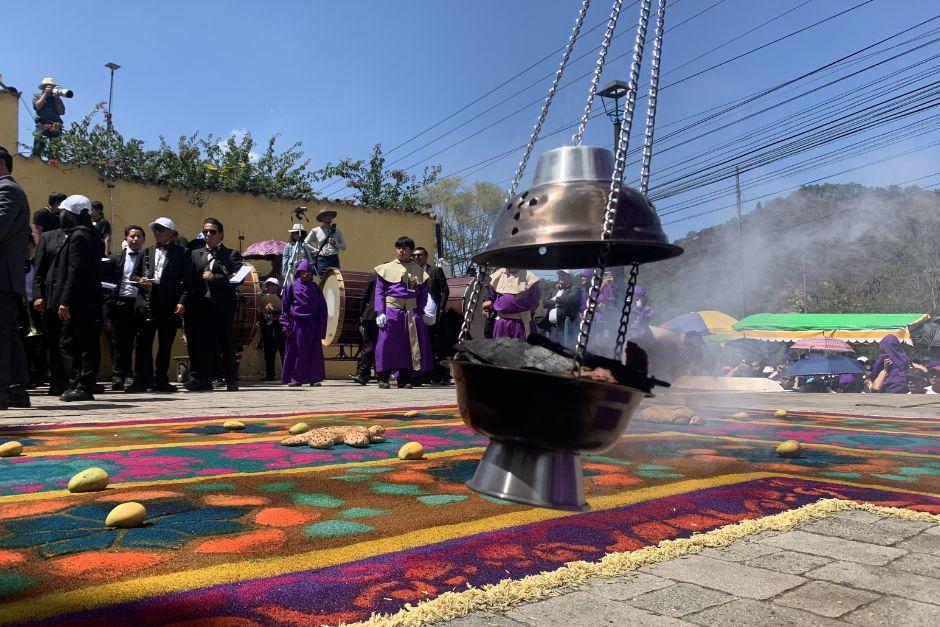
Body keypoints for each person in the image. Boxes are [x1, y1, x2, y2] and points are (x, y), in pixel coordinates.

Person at [48, 195, 103, 402]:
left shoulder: (80, 236)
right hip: (88, 298)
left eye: (65, 212)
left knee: (72, 342)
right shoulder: (91, 234)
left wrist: (65, 300)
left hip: (80, 299)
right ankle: (80, 383)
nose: (61, 215)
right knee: (82, 342)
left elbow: (74, 271)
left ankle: (82, 384)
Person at [184, 218, 243, 392]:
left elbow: (237, 278)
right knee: (203, 344)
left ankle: (231, 379)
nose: (208, 235)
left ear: (221, 234)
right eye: (205, 231)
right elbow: (190, 280)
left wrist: (215, 278)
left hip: (222, 306)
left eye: (212, 231)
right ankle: (204, 379)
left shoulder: (231, 254)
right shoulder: (195, 254)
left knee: (225, 343)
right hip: (201, 307)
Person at [133, 217, 189, 392]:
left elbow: (187, 281)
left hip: (169, 302)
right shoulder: (147, 251)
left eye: (161, 229)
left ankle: (161, 379)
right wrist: (140, 280)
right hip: (149, 300)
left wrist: (182, 302)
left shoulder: (181, 252)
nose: (157, 233)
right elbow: (134, 275)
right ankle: (142, 379)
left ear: (171, 233)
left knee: (165, 344)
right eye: (155, 229)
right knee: (144, 343)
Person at [373, 236, 434, 389]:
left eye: (405, 248)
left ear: (411, 251)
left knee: (408, 345)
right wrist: (380, 312)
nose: (401, 251)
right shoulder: (386, 268)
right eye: (399, 247)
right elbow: (379, 291)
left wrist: (419, 311)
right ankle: (383, 377)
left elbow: (423, 294)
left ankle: (405, 378)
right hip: (391, 311)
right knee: (386, 343)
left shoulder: (418, 271)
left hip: (411, 313)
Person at [0, 146, 31, 409]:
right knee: (7, 334)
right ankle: (16, 390)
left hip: (3, 278)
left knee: (3, 334)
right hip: (6, 279)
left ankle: (6, 391)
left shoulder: (7, 190)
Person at [104, 225, 146, 391]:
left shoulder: (148, 257)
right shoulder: (116, 258)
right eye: (132, 236)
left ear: (144, 239)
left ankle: (139, 377)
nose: (135, 239)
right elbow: (108, 283)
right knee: (121, 343)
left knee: (141, 342)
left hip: (141, 302)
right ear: (126, 239)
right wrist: (110, 303)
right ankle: (119, 376)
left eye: (138, 237)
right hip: (122, 302)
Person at [280, 260, 327, 387]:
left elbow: (323, 310)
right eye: (303, 272)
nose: (306, 274)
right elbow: (285, 308)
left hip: (313, 324)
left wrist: (321, 330)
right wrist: (285, 325)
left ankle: (314, 378)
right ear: (299, 272)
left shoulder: (316, 289)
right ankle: (296, 379)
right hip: (297, 324)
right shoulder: (291, 286)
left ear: (312, 274)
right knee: (297, 352)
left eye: (309, 272)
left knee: (313, 352)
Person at [413, 246, 450, 384]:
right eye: (415, 256)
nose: (417, 258)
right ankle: (427, 374)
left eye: (420, 255)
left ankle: (443, 375)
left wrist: (441, 309)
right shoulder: (411, 272)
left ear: (426, 256)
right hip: (418, 313)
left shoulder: (435, 270)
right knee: (424, 344)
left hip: (435, 313)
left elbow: (445, 290)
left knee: (438, 345)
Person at [482, 267, 540, 340]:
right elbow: (490, 296)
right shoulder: (498, 276)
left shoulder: (530, 279)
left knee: (522, 349)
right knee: (499, 349)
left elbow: (535, 302)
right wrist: (486, 308)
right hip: (501, 324)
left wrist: (523, 315)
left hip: (521, 324)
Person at [349, 272, 378, 385]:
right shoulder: (396, 274)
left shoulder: (374, 275)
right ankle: (380, 374)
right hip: (386, 315)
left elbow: (364, 296)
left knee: (368, 346)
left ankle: (363, 374)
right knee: (375, 346)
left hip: (371, 315)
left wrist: (361, 314)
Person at [539, 270, 581, 346]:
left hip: (566, 327)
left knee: (566, 350)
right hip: (553, 328)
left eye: (563, 275)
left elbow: (569, 299)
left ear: (569, 277)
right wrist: (556, 300)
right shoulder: (555, 291)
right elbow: (545, 303)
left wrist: (555, 300)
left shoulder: (575, 289)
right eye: (560, 275)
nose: (560, 276)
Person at [31, 78, 66, 159]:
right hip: (42, 123)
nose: (51, 89)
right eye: (49, 87)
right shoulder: (37, 95)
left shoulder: (56, 99)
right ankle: (36, 159)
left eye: (52, 87)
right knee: (38, 143)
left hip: (55, 124)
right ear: (44, 87)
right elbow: (37, 107)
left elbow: (61, 112)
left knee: (55, 148)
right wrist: (45, 94)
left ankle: (54, 160)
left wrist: (57, 98)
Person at [259, 277, 285, 381]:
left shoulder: (282, 297)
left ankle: (286, 373)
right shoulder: (262, 298)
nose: (270, 287)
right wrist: (265, 313)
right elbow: (260, 312)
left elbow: (285, 312)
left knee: (283, 351)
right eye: (268, 285)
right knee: (268, 352)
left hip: (280, 328)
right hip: (268, 328)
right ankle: (270, 374)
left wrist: (276, 316)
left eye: (272, 285)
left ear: (277, 286)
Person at [305, 210, 345, 276]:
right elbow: (305, 242)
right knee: (322, 279)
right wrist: (315, 250)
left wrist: (335, 244)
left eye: (330, 215)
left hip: (334, 258)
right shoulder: (316, 230)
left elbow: (343, 247)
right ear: (322, 218)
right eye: (326, 215)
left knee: (336, 280)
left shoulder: (337, 231)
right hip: (322, 259)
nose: (329, 217)